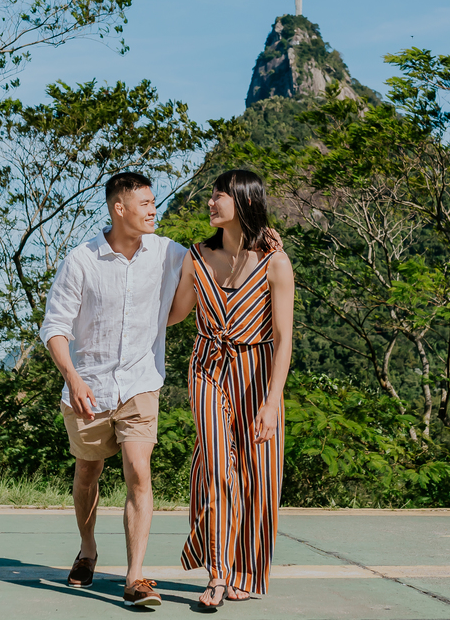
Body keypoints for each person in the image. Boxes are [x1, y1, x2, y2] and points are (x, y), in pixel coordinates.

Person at [39, 171, 187, 608]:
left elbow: (217, 257)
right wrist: (73, 377)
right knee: (88, 471)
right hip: (90, 385)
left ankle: (135, 577)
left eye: (154, 201)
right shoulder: (81, 260)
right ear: (118, 208)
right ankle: (88, 549)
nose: (153, 210)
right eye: (144, 203)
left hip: (141, 383)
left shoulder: (168, 253)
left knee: (138, 470)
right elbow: (55, 327)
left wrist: (261, 237)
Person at [167, 169, 295, 610]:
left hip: (258, 371)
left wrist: (272, 400)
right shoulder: (196, 258)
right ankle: (219, 573)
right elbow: (175, 314)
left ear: (242, 201)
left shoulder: (275, 262)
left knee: (259, 473)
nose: (210, 202)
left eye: (218, 196)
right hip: (207, 368)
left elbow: (283, 339)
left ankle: (246, 570)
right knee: (217, 465)